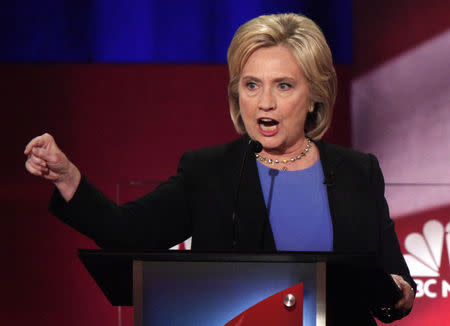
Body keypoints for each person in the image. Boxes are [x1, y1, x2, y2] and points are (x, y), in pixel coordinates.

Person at [25, 13, 414, 325]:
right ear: (236, 92)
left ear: (314, 95)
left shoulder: (358, 172)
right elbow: (126, 233)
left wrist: (397, 294)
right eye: (251, 85)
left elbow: (396, 284)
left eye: (283, 86)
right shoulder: (209, 171)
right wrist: (68, 178)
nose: (264, 103)